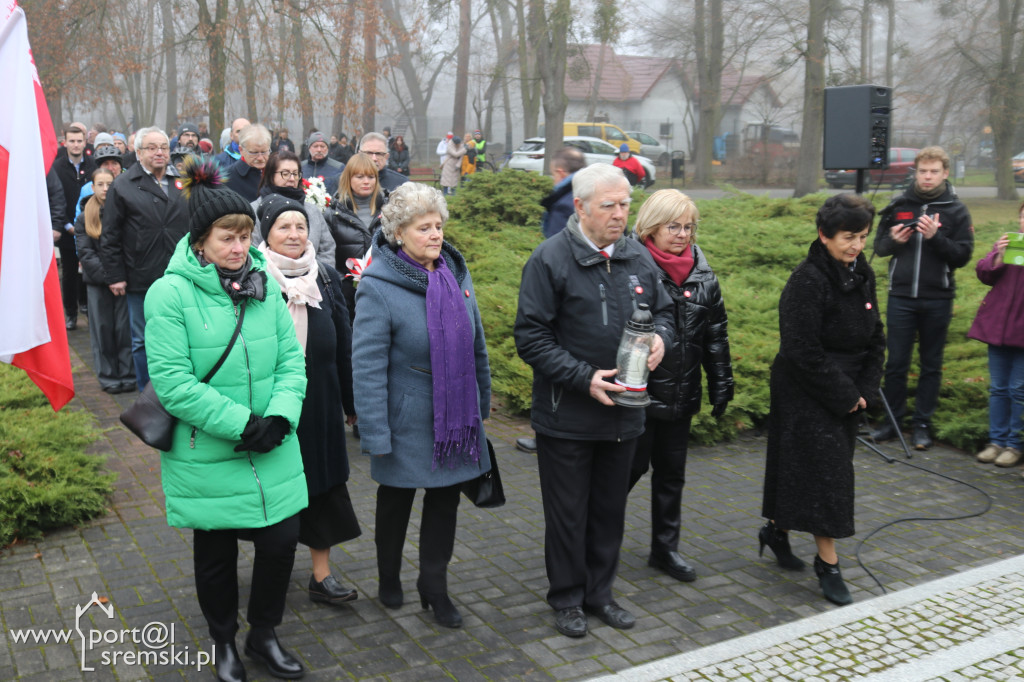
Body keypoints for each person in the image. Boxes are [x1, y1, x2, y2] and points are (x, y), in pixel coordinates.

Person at [145, 158, 309, 682]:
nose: (239, 249)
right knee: (215, 553)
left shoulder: (263, 284)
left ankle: (264, 633)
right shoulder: (168, 294)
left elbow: (291, 361)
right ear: (199, 241)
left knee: (281, 544)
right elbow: (174, 385)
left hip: (273, 446)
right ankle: (224, 641)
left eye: (244, 236)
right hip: (209, 450)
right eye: (226, 238)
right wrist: (244, 424)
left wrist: (281, 418)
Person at [514, 163, 672, 638]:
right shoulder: (548, 260)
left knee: (609, 511)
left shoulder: (639, 258)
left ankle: (600, 594)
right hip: (568, 415)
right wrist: (584, 378)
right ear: (580, 207)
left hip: (626, 413)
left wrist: (663, 338)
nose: (620, 214)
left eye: (625, 204)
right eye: (609, 206)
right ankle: (566, 598)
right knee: (568, 515)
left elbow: (663, 311)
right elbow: (531, 338)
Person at [351, 182, 491, 629]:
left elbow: (476, 344)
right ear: (398, 233)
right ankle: (388, 575)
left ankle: (434, 586)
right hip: (406, 417)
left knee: (445, 501)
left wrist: (481, 404)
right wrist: (374, 432)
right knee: (396, 501)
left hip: (455, 417)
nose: (435, 235)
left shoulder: (455, 272)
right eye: (423, 227)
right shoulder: (378, 287)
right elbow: (367, 366)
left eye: (438, 225)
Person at [760, 193, 885, 607]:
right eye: (849, 237)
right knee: (828, 477)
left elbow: (876, 337)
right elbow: (801, 349)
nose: (856, 246)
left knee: (805, 470)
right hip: (805, 390)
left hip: (847, 391)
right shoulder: (807, 281)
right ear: (824, 235)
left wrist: (865, 391)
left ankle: (775, 529)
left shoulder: (861, 272)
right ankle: (828, 565)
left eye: (863, 237)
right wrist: (845, 395)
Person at [257, 193, 362, 607]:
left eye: (300, 226)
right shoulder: (253, 278)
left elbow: (344, 341)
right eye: (284, 226)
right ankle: (271, 570)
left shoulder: (327, 277)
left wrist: (352, 404)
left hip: (320, 402)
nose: (294, 233)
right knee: (271, 491)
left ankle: (321, 576)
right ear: (266, 232)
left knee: (323, 487)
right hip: (272, 406)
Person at [627, 190, 733, 582]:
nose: (682, 234)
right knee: (624, 474)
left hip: (681, 396)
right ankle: (595, 543)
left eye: (688, 227)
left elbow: (716, 336)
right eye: (673, 226)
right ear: (651, 226)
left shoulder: (705, 276)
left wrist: (722, 382)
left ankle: (665, 549)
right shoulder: (631, 269)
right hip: (637, 397)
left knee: (671, 477)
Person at [870, 146, 973, 450]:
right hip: (901, 296)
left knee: (931, 365)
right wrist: (894, 240)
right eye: (923, 171)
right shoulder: (899, 204)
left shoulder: (956, 209)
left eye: (934, 172)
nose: (927, 177)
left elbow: (962, 256)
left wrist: (936, 238)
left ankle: (922, 426)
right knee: (896, 363)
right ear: (916, 172)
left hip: (938, 298)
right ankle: (891, 423)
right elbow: (878, 246)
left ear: (945, 173)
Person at [99, 126, 189, 391]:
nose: (159, 152)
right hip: (141, 275)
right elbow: (110, 235)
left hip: (180, 273)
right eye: (152, 147)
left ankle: (179, 391)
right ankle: (148, 395)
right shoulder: (123, 185)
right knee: (142, 339)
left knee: (182, 335)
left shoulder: (184, 181)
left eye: (163, 147)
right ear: (138, 152)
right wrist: (115, 276)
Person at [516, 145, 588, 454]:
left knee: (551, 358)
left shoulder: (564, 201)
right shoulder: (590, 194)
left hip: (563, 296)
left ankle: (546, 430)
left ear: (559, 172)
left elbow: (559, 253)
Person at [969, 204, 1024, 469]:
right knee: (999, 389)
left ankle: (1015, 445)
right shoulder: (1008, 243)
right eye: (1023, 217)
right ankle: (996, 441)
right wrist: (998, 257)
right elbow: (983, 273)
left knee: (1019, 390)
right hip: (999, 331)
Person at [75, 168, 134, 394]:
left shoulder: (123, 212)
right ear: (92, 187)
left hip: (122, 282)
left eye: (109, 183)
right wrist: (110, 277)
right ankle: (108, 375)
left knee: (123, 329)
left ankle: (128, 373)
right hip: (98, 283)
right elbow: (86, 253)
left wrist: (120, 276)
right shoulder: (84, 218)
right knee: (102, 330)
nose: (105, 188)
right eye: (100, 184)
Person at [251, 150, 336, 271]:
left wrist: (318, 276)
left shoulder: (312, 210)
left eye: (295, 174)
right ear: (270, 175)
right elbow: (252, 249)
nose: (291, 179)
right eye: (285, 173)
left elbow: (327, 248)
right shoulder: (255, 210)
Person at [325, 153, 386, 321]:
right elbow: (327, 254)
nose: (366, 181)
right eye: (360, 177)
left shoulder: (391, 211)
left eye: (371, 176)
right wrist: (344, 283)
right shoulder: (332, 214)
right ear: (348, 178)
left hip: (384, 289)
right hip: (346, 296)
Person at [53, 124, 96, 329]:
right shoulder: (57, 167)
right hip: (67, 228)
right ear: (65, 142)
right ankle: (70, 313)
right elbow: (55, 198)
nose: (76, 144)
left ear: (85, 142)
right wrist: (67, 225)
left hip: (91, 229)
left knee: (88, 268)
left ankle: (86, 305)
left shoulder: (93, 166)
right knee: (69, 273)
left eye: (79, 141)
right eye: (72, 141)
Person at [225, 124, 271, 202]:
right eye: (254, 153)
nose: (260, 158)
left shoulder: (276, 172)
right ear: (241, 150)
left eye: (264, 152)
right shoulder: (227, 178)